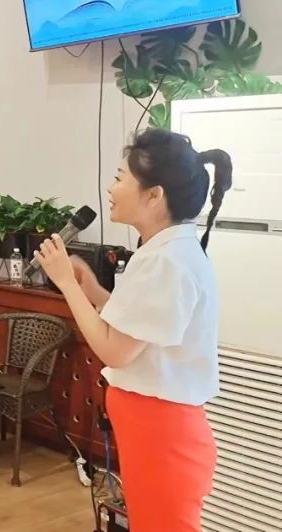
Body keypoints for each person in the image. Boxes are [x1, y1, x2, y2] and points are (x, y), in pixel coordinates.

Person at [34, 129, 232, 531]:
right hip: (155, 429)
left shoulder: (166, 260)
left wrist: (68, 284)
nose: (111, 189)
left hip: (163, 434)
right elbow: (139, 328)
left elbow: (116, 351)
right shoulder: (164, 252)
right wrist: (94, 292)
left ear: (154, 194)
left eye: (120, 178)